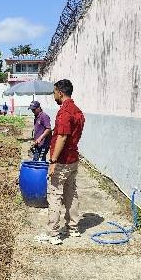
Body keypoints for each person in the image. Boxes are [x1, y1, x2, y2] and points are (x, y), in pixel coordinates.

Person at [36, 79, 85, 245]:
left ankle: (53, 233)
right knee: (71, 193)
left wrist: (53, 160)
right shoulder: (77, 110)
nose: (54, 95)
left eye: (54, 92)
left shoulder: (65, 112)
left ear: (60, 93)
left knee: (55, 194)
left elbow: (62, 137)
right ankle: (73, 228)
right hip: (73, 159)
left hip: (63, 160)